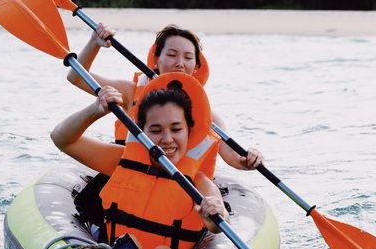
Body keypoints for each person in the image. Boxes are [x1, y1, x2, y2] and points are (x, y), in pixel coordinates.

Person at [51, 73, 227, 249]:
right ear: (141, 132)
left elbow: (219, 221)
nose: (167, 139)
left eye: (176, 129)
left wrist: (214, 214)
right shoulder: (121, 160)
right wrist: (95, 110)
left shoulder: (200, 184)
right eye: (156, 130)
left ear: (189, 132)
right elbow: (62, 139)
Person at [65, 23, 264, 172]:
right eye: (171, 55)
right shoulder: (131, 92)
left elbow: (232, 156)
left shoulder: (210, 117)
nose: (179, 63)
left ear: (195, 67)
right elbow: (76, 77)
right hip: (126, 172)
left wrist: (248, 160)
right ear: (156, 61)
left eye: (187, 58)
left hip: (176, 183)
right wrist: (94, 44)